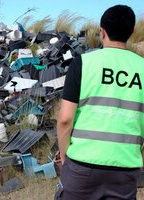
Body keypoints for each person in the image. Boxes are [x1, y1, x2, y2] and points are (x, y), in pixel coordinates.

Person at [56, 5, 144, 200]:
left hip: (82, 166)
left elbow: (64, 119)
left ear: (102, 32)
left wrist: (64, 157)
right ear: (130, 33)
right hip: (125, 168)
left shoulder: (84, 63)